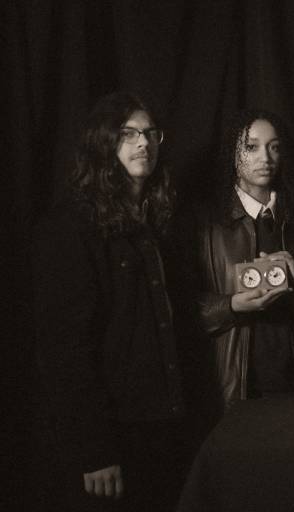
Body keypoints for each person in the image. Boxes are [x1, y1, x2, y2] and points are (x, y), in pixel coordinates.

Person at [33, 92, 186, 511]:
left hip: (161, 428)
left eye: (150, 133)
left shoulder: (156, 220)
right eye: (128, 134)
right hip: (113, 436)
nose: (143, 143)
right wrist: (95, 450)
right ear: (104, 143)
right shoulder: (71, 226)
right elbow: (65, 349)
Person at [196, 109, 294, 415]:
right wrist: (232, 306)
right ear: (233, 151)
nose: (265, 157)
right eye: (251, 147)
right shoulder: (205, 226)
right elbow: (180, 310)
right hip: (231, 389)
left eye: (274, 146)